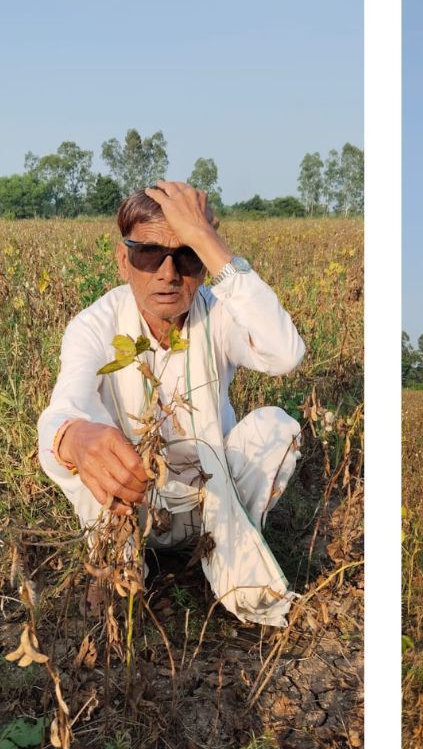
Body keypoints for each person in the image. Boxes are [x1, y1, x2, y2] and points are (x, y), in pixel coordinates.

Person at [37, 182, 306, 626]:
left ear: (203, 264)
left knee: (276, 428)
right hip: (133, 502)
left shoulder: (217, 312)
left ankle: (225, 553)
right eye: (148, 255)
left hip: (213, 497)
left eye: (185, 257)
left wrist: (207, 240)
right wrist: (77, 438)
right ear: (124, 261)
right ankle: (118, 567)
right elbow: (62, 410)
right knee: (80, 439)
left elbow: (285, 352)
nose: (167, 273)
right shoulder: (95, 325)